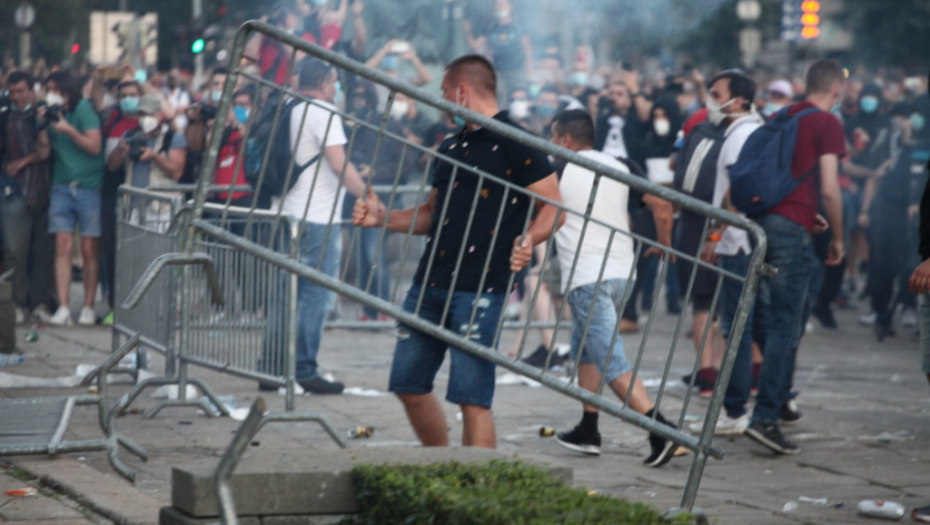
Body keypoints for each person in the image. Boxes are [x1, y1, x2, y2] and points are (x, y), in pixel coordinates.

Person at [351, 54, 563, 448]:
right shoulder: (450, 145)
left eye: (445, 92)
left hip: (481, 287)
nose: (441, 100)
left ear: (462, 92)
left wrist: (529, 240)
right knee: (407, 385)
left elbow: (554, 206)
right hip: (428, 282)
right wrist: (381, 218)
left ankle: (479, 482)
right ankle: (443, 465)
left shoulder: (518, 141)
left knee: (472, 399)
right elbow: (430, 213)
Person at [548, 109, 679, 467]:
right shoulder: (622, 164)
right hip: (623, 273)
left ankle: (661, 432)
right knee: (587, 352)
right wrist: (664, 246)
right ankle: (588, 429)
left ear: (566, 140)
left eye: (553, 137)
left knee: (609, 360)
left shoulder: (558, 168)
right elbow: (662, 205)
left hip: (588, 276)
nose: (550, 144)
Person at [743, 60, 846, 455]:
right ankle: (766, 416)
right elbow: (831, 188)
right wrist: (839, 237)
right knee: (786, 324)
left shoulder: (786, 115)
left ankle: (780, 400)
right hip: (789, 230)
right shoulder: (826, 122)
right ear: (836, 88)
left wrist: (805, 213)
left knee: (786, 316)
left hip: (767, 221)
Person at [259, 58, 367, 395]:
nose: (336, 89)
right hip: (316, 216)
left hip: (285, 211)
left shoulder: (288, 107)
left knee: (283, 292)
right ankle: (304, 368)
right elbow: (338, 163)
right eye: (334, 82)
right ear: (323, 84)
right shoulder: (323, 111)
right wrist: (368, 195)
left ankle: (271, 368)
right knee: (314, 295)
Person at [687, 70, 763, 434]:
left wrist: (714, 236)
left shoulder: (738, 135)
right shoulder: (751, 130)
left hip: (737, 242)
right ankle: (773, 401)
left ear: (738, 100)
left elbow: (735, 194)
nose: (711, 102)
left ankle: (734, 410)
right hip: (745, 240)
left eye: (717, 95)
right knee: (750, 325)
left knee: (737, 329)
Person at [44, 70, 104, 327]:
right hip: (61, 185)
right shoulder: (51, 112)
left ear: (66, 90)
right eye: (49, 89)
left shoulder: (83, 111)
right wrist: (43, 125)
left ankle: (88, 305)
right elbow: (44, 150)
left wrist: (69, 130)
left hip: (88, 187)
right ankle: (64, 306)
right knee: (62, 246)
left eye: (55, 89)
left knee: (88, 248)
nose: (52, 94)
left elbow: (94, 146)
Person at [0, 71, 56, 324]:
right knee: (15, 251)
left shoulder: (42, 115)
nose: (17, 97)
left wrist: (24, 161)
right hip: (14, 191)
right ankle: (17, 303)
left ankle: (41, 301)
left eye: (21, 91)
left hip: (44, 188)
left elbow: (45, 152)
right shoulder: (4, 117)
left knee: (44, 251)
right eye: (12, 92)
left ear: (31, 92)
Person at [105, 94, 187, 223]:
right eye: (141, 114)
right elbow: (111, 166)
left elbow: (177, 172)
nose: (145, 118)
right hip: (133, 205)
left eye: (149, 114)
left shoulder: (172, 137)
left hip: (162, 208)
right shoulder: (130, 135)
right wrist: (119, 150)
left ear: (159, 115)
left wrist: (155, 156)